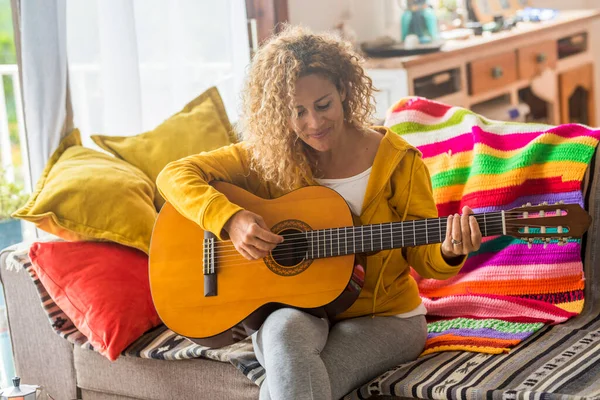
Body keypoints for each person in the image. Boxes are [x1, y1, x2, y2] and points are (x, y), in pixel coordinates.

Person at [156, 24, 482, 400]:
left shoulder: (398, 162)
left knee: (293, 381)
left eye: (323, 105)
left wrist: (450, 250)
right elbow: (174, 175)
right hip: (297, 311)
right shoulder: (268, 157)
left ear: (344, 90)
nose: (314, 123)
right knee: (282, 332)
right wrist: (229, 219)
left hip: (385, 319)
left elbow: (425, 259)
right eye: (297, 112)